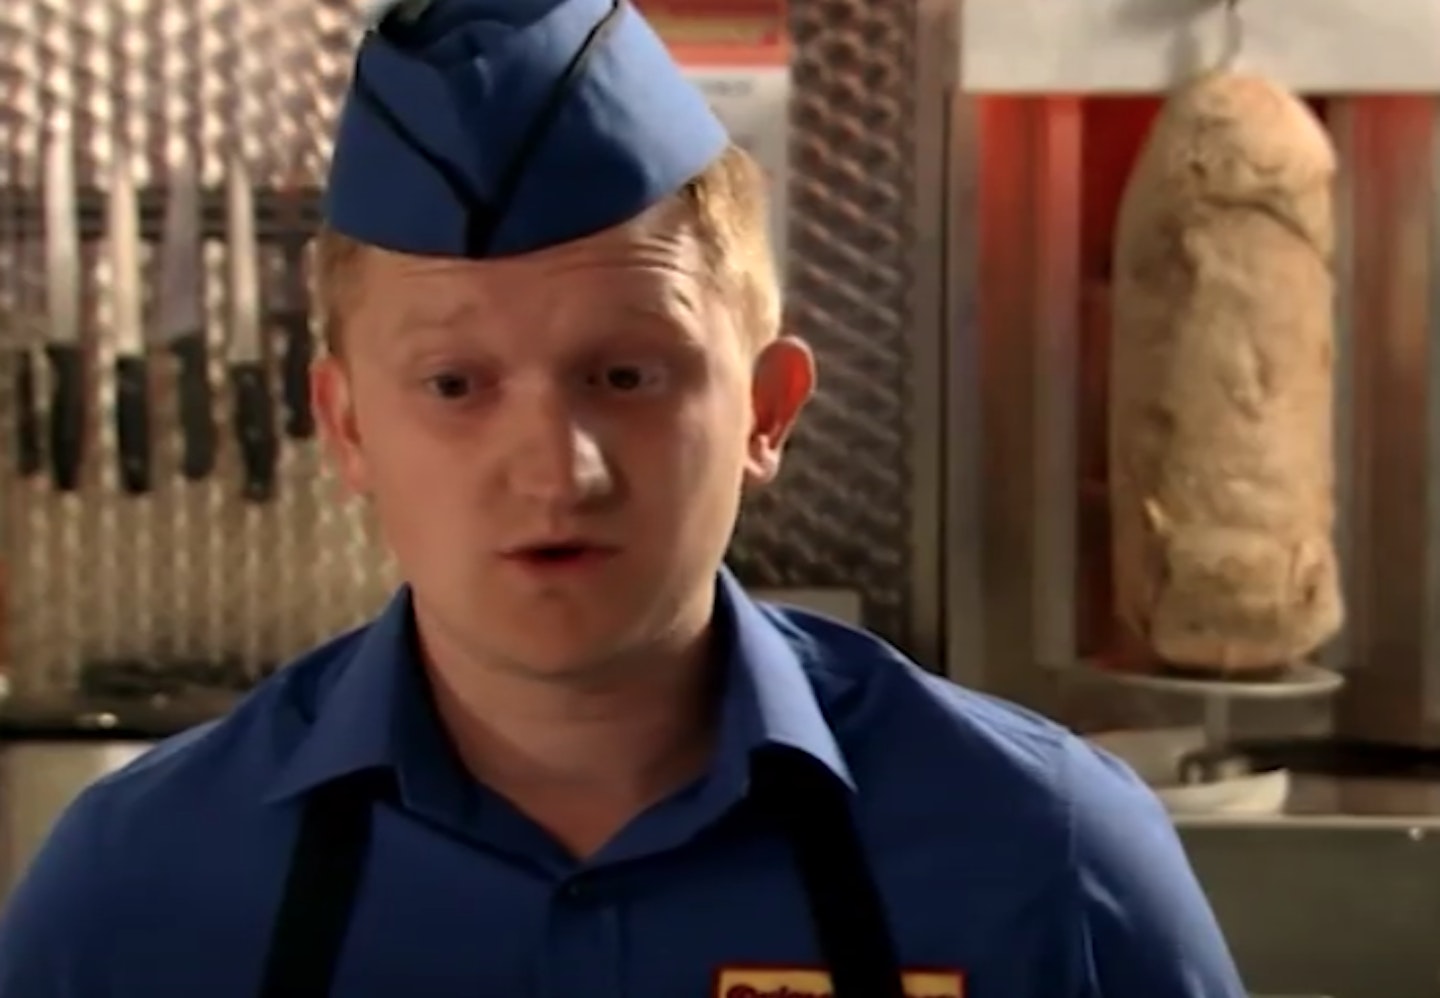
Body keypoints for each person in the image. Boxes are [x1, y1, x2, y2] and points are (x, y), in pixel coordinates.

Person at [0, 0, 1248, 995]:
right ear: (347, 426)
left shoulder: (1043, 853)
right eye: (454, 382)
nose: (558, 469)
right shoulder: (136, 891)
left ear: (766, 409)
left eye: (627, 374)